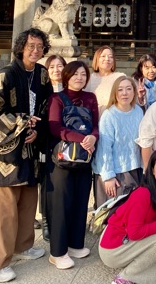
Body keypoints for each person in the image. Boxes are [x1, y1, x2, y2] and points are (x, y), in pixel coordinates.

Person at [0, 28, 53, 283]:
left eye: (40, 46)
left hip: (30, 149)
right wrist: (20, 123)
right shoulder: (6, 74)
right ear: (21, 47)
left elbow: (47, 108)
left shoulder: (42, 75)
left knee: (28, 200)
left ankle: (23, 245)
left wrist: (38, 131)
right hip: (6, 152)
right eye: (31, 46)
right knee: (4, 208)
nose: (35, 50)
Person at [45, 60, 99, 269]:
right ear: (67, 76)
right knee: (61, 204)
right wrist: (81, 138)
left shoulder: (90, 98)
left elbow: (95, 125)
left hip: (84, 158)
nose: (79, 78)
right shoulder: (57, 98)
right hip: (62, 159)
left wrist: (93, 137)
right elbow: (54, 127)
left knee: (80, 201)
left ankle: (76, 244)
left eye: (83, 74)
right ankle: (58, 252)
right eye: (75, 74)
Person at [99, 148, 156, 284]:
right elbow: (134, 233)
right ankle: (126, 277)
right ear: (152, 170)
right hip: (113, 248)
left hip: (129, 241)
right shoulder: (143, 194)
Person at [93, 76, 144, 208]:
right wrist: (108, 176)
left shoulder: (138, 111)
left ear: (134, 91)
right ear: (115, 93)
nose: (124, 93)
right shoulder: (109, 115)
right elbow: (104, 148)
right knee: (114, 213)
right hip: (115, 172)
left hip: (134, 168)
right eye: (120, 90)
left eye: (128, 89)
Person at [39, 54, 67, 240]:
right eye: (52, 67)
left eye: (60, 66)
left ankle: (62, 217)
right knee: (46, 180)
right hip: (46, 140)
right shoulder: (43, 90)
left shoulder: (71, 89)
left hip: (66, 140)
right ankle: (46, 220)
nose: (56, 70)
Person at [87, 46, 126, 116]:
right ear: (97, 59)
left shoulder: (120, 77)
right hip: (92, 118)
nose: (107, 59)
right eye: (103, 56)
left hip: (114, 116)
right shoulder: (89, 78)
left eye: (110, 57)